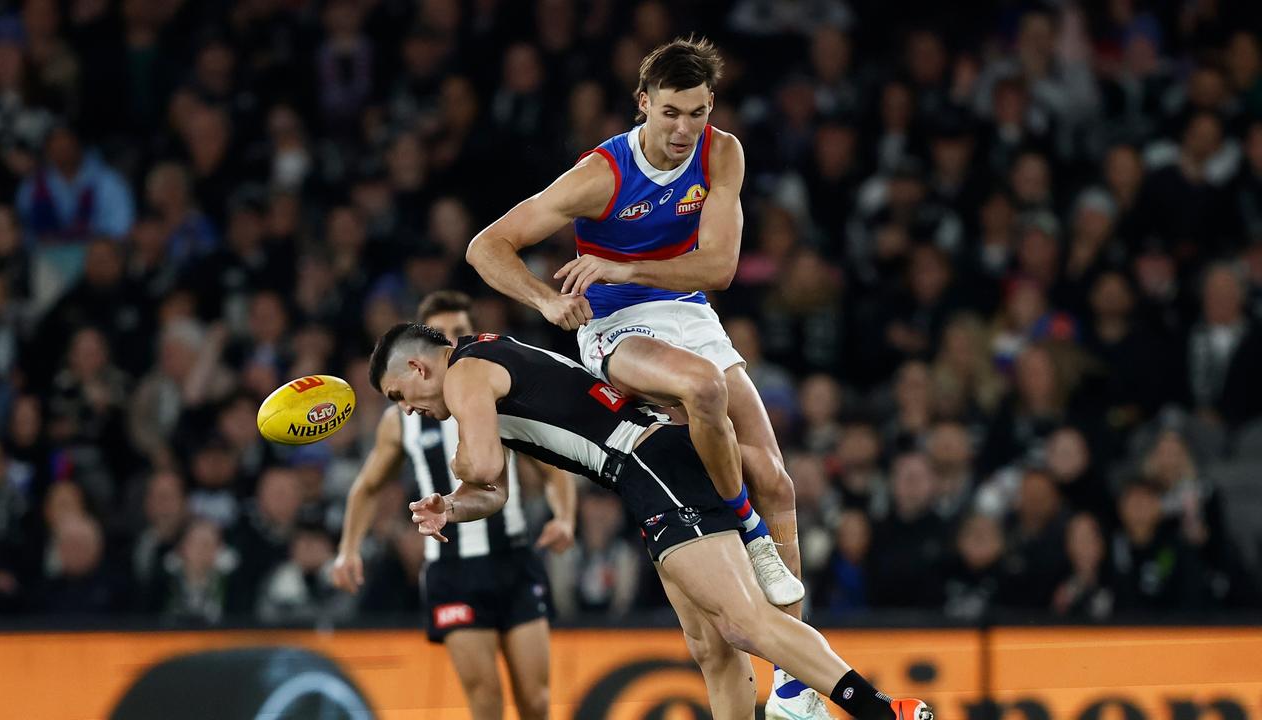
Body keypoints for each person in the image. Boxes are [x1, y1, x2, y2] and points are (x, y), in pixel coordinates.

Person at [464, 36, 811, 714]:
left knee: (778, 478)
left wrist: (623, 266)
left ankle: (795, 686)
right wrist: (544, 299)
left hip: (687, 310)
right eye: (673, 113)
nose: (686, 130)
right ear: (643, 104)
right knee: (703, 390)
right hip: (618, 328)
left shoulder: (723, 152)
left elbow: (718, 269)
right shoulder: (601, 176)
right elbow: (487, 245)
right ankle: (745, 525)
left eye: (699, 112)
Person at [371, 322, 933, 720]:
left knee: (740, 622)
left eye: (401, 394)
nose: (407, 409)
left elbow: (484, 464)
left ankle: (879, 710)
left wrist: (458, 464)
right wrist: (452, 504)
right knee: (712, 648)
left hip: (647, 464)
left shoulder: (464, 374)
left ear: (420, 366)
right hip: (655, 464)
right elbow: (490, 491)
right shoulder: (483, 358)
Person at [333, 291, 576, 720]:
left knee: (537, 702)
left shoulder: (495, 393)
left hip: (515, 557)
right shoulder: (400, 420)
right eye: (442, 333)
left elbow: (551, 464)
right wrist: (348, 548)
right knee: (485, 703)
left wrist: (565, 515)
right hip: (452, 569)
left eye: (458, 332)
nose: (452, 342)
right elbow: (367, 486)